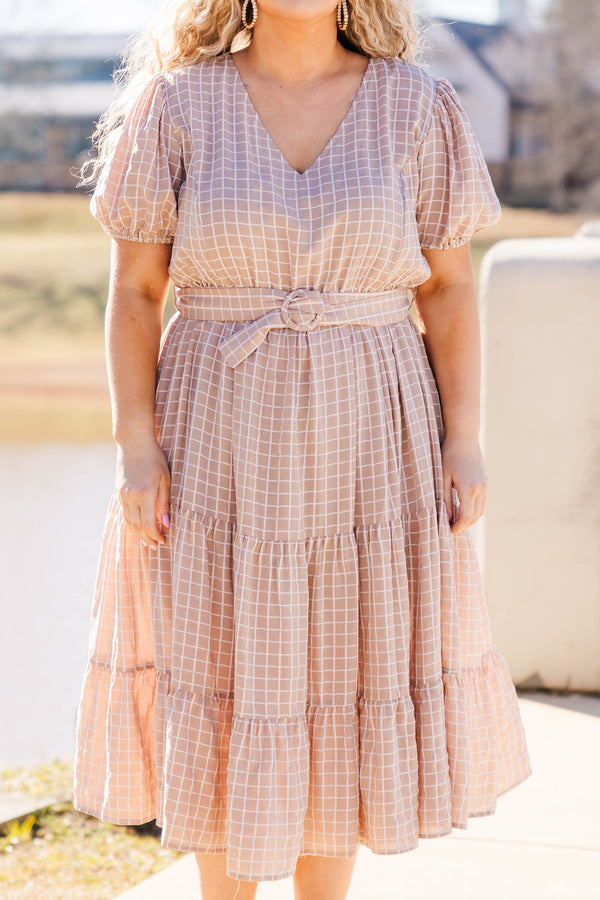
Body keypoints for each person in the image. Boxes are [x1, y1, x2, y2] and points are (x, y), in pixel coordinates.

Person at [72, 1, 533, 898]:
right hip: (216, 431)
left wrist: (464, 437)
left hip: (375, 433)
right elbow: (134, 290)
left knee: (347, 673)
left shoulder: (419, 103)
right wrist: (138, 445)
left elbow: (446, 288)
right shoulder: (177, 104)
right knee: (223, 671)